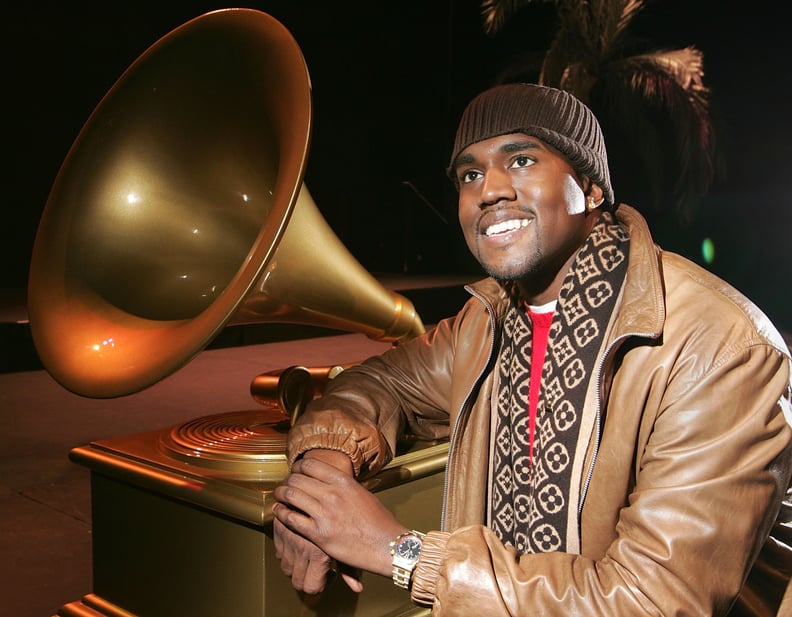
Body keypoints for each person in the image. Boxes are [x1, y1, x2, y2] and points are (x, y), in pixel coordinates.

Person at [271, 83, 792, 615]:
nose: (489, 190)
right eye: (469, 174)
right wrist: (323, 478)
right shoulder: (486, 320)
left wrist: (403, 554)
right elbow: (374, 382)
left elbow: (655, 600)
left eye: (521, 160)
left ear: (590, 188)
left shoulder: (719, 345)